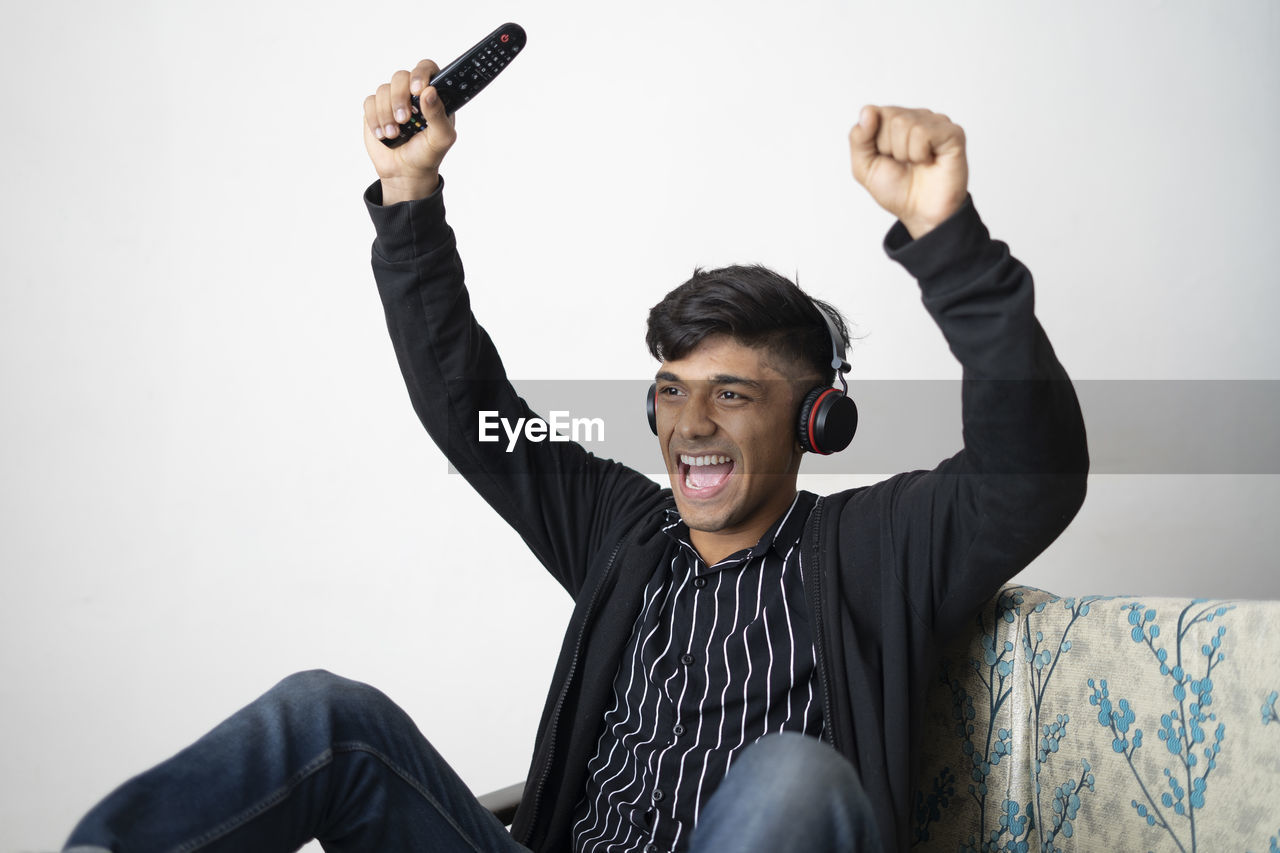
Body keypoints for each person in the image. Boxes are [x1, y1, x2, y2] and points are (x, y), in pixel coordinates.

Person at [64, 55, 1088, 853]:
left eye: (728, 395)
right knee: (328, 714)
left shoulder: (876, 543)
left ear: (815, 420)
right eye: (669, 393)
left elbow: (1028, 469)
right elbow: (472, 410)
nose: (687, 425)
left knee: (792, 774)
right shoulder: (620, 529)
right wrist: (409, 196)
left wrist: (946, 238)